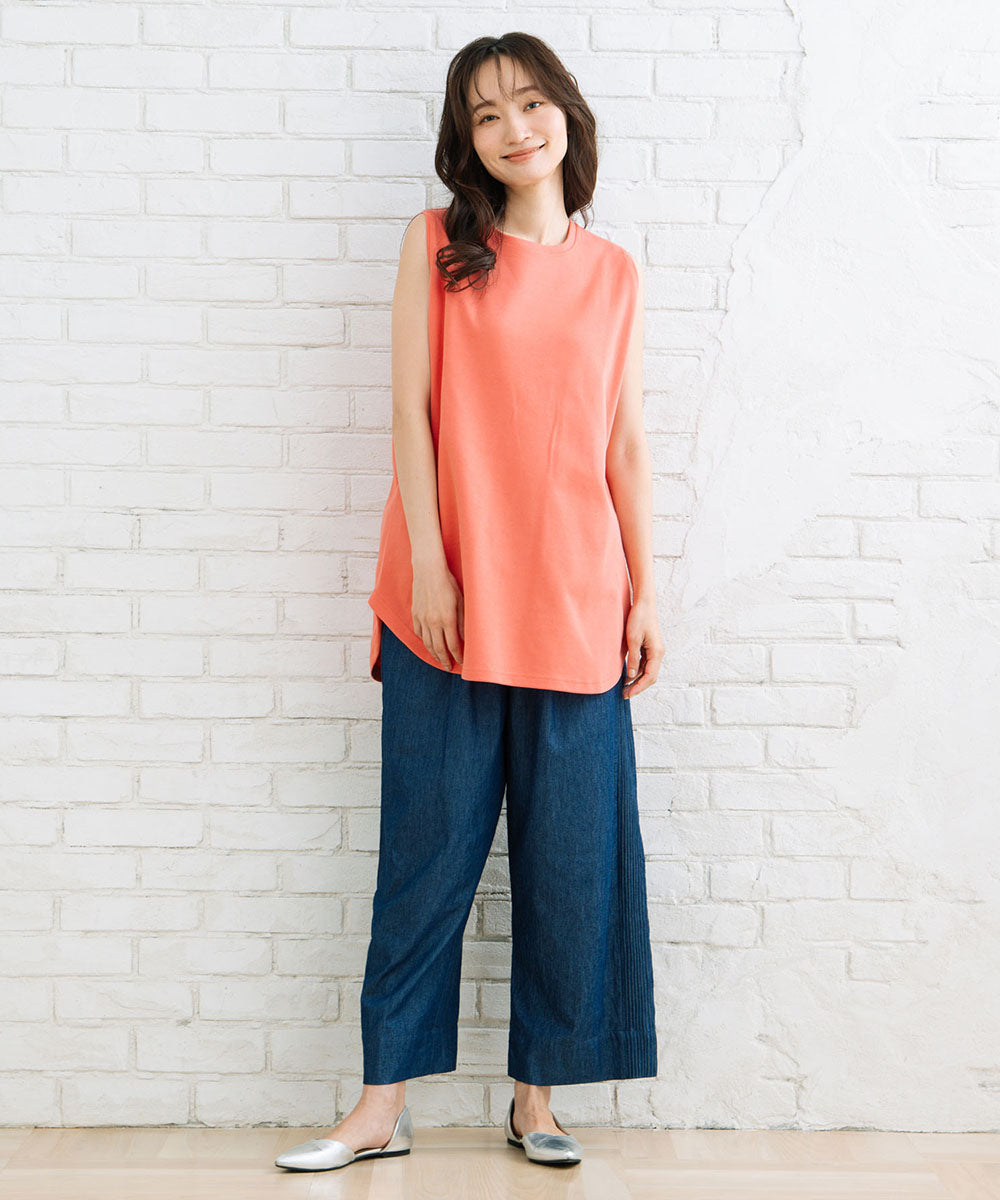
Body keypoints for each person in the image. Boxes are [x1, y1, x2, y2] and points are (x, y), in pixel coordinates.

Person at [275, 31, 664, 1175]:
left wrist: (648, 593)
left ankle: (535, 1098)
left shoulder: (614, 273)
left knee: (571, 866)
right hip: (441, 606)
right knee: (424, 861)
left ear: (566, 115)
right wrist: (432, 566)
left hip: (578, 602)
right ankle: (379, 1107)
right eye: (486, 114)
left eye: (529, 104)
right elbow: (411, 410)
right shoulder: (439, 244)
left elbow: (624, 445)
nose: (512, 129)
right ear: (467, 139)